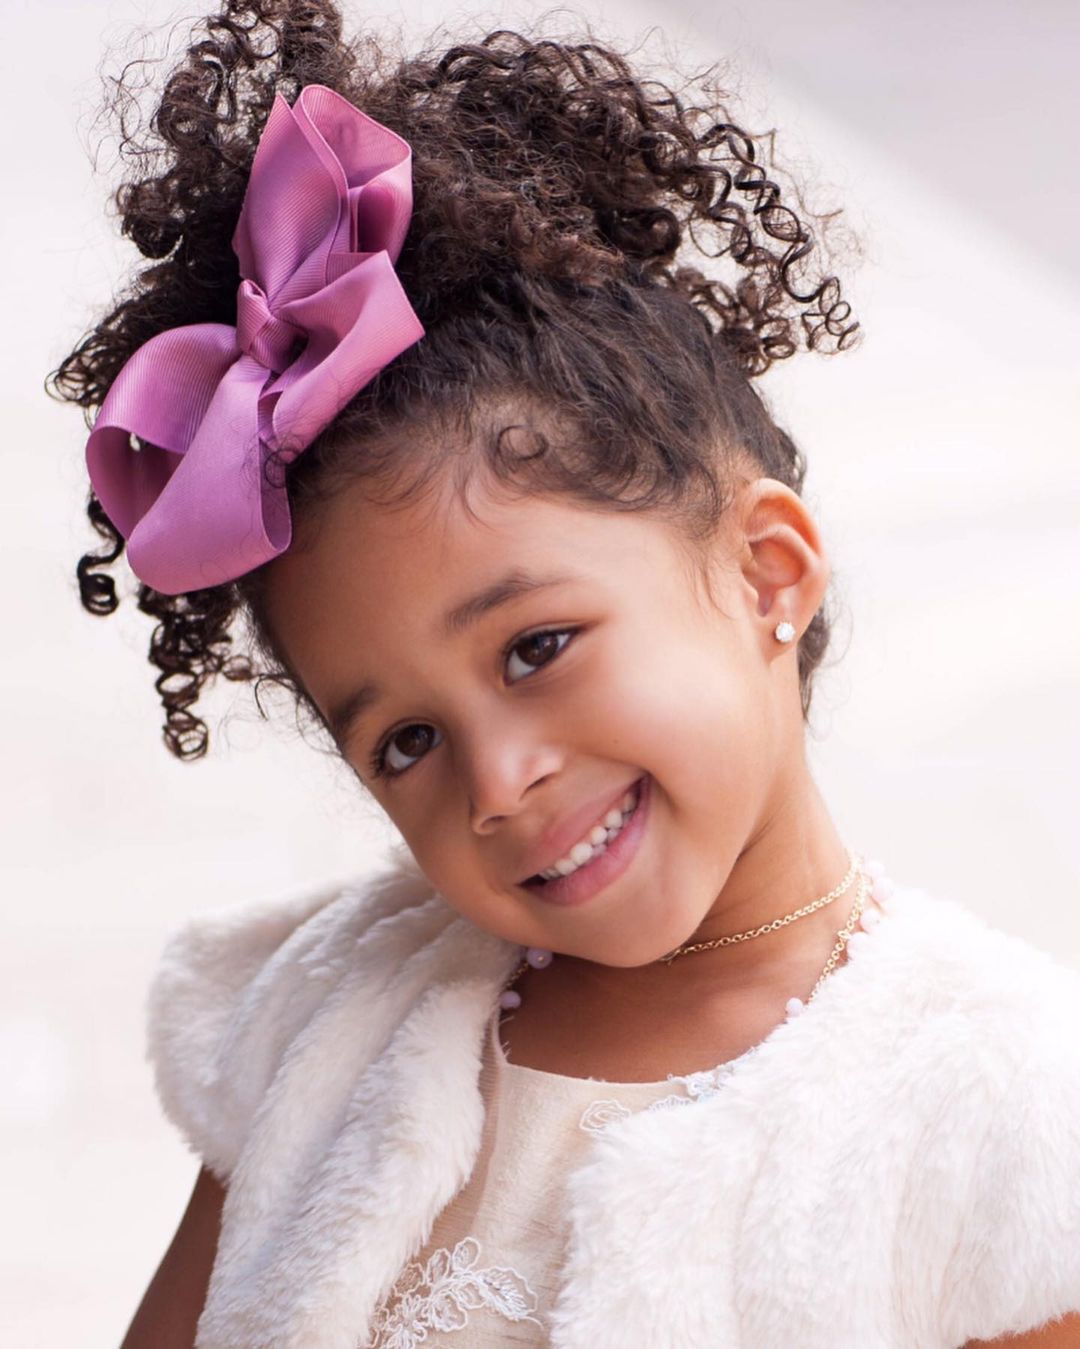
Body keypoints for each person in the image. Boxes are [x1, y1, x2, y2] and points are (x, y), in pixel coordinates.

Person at [49, 2, 1080, 1347]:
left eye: (536, 648)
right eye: (406, 741)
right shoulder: (332, 1018)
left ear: (767, 573)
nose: (498, 781)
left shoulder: (995, 1118)